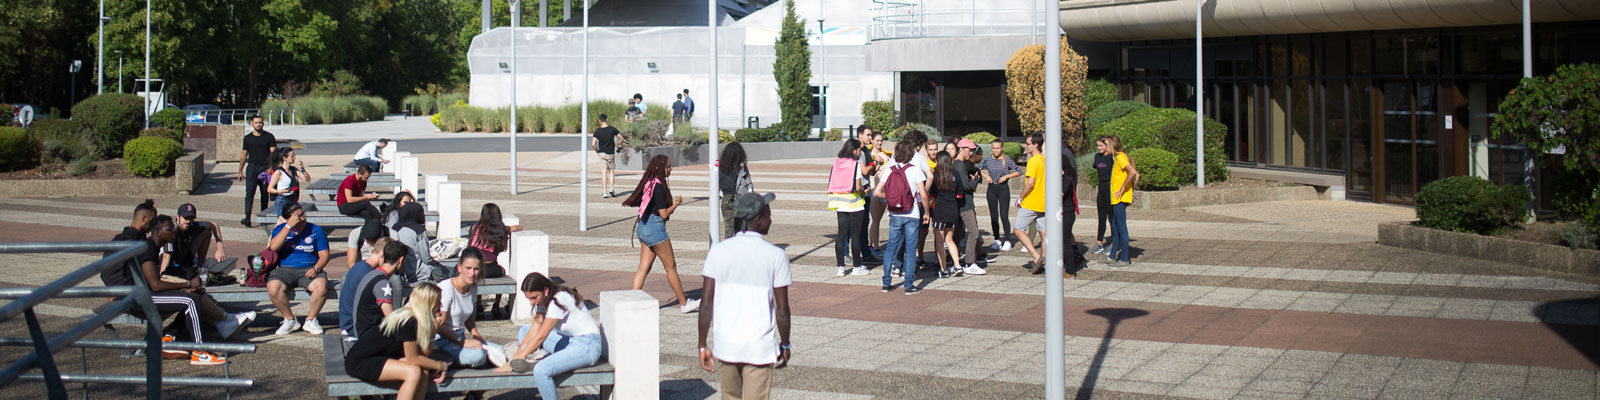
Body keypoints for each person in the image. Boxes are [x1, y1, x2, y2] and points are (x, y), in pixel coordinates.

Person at [105, 202, 248, 365]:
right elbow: (156, 285)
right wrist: (187, 284)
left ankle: (169, 337)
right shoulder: (147, 247)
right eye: (169, 229)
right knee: (190, 300)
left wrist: (185, 288)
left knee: (190, 297)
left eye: (173, 228)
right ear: (157, 232)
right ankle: (199, 351)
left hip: (143, 294)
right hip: (139, 299)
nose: (173, 231)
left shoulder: (148, 245)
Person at [696, 192, 792, 400]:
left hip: (727, 344)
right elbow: (782, 310)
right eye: (768, 214)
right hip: (759, 348)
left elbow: (706, 304)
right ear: (757, 220)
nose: (771, 219)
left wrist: (702, 344)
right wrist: (785, 344)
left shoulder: (718, 252)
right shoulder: (775, 256)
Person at [502, 273, 604, 400]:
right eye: (529, 299)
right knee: (524, 330)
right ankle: (542, 358)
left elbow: (541, 336)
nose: (532, 302)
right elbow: (534, 329)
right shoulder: (545, 299)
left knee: (541, 371)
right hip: (570, 342)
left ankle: (542, 360)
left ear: (545, 290)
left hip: (587, 346)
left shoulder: (558, 299)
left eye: (534, 297)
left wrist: (515, 360)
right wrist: (516, 357)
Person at [342, 284, 449, 400]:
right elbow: (413, 358)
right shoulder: (408, 321)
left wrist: (433, 332)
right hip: (361, 362)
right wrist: (440, 365)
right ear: (429, 303)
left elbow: (423, 355)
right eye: (438, 301)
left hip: (380, 357)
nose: (441, 305)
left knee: (423, 370)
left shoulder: (416, 318)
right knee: (413, 372)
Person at [622, 155, 700, 312]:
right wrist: (677, 203)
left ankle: (632, 302)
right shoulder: (659, 187)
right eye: (668, 166)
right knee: (671, 267)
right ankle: (684, 304)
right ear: (660, 168)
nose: (670, 169)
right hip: (655, 228)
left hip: (642, 227)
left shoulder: (649, 183)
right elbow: (663, 214)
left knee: (643, 268)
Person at [875, 140, 931, 295]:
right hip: (912, 213)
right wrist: (926, 212)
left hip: (894, 213)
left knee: (891, 247)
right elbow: (923, 195)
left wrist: (891, 198)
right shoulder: (915, 170)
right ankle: (908, 285)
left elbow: (876, 192)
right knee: (911, 249)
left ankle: (886, 283)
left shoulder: (889, 170)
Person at [268, 202, 332, 335]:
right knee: (273, 287)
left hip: (310, 268)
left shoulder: (316, 230)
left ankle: (311, 320)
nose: (302, 218)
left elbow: (324, 255)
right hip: (285, 269)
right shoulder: (280, 229)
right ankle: (290, 320)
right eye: (298, 216)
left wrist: (316, 268)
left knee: (321, 286)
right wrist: (288, 227)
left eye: (303, 214)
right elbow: (273, 247)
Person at [434, 248, 489, 369]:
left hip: (459, 336)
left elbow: (468, 315)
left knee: (497, 351)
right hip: (442, 339)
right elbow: (438, 325)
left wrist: (475, 334)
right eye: (468, 268)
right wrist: (462, 342)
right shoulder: (446, 289)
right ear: (459, 268)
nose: (472, 273)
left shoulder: (473, 286)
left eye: (476, 269)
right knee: (479, 356)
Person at [466, 203, 523, 317]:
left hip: (476, 268)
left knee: (479, 276)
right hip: (492, 268)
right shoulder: (500, 230)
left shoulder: (474, 228)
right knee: (502, 271)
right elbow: (519, 227)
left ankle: (479, 305)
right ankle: (496, 305)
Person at [828, 139, 870, 277]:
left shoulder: (837, 163)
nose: (859, 153)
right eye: (858, 150)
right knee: (855, 235)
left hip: (839, 202)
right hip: (854, 203)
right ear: (854, 150)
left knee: (841, 234)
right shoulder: (855, 164)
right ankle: (857, 267)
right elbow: (857, 187)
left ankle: (840, 267)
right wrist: (864, 191)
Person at [339, 237, 394, 337]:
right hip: (356, 327)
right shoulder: (371, 275)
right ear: (382, 256)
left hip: (347, 323)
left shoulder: (358, 266)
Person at [393, 202, 446, 300]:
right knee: (452, 273)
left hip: (400, 275)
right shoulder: (419, 231)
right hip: (419, 273)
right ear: (414, 214)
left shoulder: (394, 229)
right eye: (421, 212)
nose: (424, 215)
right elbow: (426, 259)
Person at [1012, 133, 1050, 269]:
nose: (1026, 146)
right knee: (1043, 232)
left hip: (1032, 201)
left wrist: (1020, 198)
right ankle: (1044, 260)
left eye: (1028, 144)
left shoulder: (1033, 161)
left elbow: (1030, 183)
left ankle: (1036, 256)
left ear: (1036, 145)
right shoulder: (1044, 159)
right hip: (1044, 202)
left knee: (1018, 229)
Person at [927, 152, 966, 278]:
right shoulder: (956, 174)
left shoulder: (936, 175)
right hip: (953, 210)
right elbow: (960, 195)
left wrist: (927, 210)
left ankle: (944, 269)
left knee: (939, 241)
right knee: (949, 240)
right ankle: (957, 265)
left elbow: (931, 196)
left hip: (939, 211)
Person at [952, 140, 988, 275]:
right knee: (973, 232)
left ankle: (953, 260)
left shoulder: (956, 164)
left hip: (959, 203)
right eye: (969, 149)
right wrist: (975, 179)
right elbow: (966, 186)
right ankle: (969, 263)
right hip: (965, 204)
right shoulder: (960, 165)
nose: (971, 152)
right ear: (961, 149)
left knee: (958, 233)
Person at [1103, 135, 1139, 268]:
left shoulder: (1120, 157)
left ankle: (1124, 258)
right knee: (1115, 226)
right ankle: (1113, 255)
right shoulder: (1116, 157)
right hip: (1116, 198)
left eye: (1107, 144)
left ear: (1112, 145)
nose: (1105, 147)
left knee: (1121, 227)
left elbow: (1133, 172)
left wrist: (1124, 188)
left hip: (1119, 198)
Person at [979, 141, 1022, 252]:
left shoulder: (1006, 160)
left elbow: (1018, 171)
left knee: (1004, 215)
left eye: (998, 148)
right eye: (994, 148)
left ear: (1002, 148)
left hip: (1003, 188)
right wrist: (985, 176)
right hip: (992, 188)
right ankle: (997, 239)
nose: (995, 150)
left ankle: (1007, 240)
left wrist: (1007, 176)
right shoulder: (988, 159)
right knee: (994, 216)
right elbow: (977, 169)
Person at [169, 203, 228, 281]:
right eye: (185, 218)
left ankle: (201, 265)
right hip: (172, 262)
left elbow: (213, 225)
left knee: (206, 231)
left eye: (191, 218)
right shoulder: (172, 230)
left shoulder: (193, 225)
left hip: (186, 259)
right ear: (178, 217)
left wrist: (220, 248)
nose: (188, 221)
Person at [238, 115, 277, 227]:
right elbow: (244, 154)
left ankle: (263, 215)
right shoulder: (248, 138)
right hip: (252, 168)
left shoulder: (269, 137)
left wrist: (271, 166)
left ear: (263, 124)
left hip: (265, 168)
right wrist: (240, 171)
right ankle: (247, 217)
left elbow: (273, 153)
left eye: (260, 122)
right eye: (256, 122)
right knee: (249, 192)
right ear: (252, 124)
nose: (258, 124)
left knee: (264, 193)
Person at [717, 142, 754, 240]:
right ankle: (739, 249)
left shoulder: (721, 166)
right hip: (739, 200)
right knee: (740, 228)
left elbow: (717, 183)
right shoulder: (742, 166)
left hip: (726, 199)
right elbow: (748, 182)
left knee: (729, 228)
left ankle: (728, 250)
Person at [267, 147, 310, 224]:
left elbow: (307, 179)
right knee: (286, 224)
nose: (294, 158)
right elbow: (269, 189)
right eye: (292, 156)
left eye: (294, 156)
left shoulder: (294, 170)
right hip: (282, 200)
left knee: (280, 225)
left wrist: (302, 169)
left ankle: (273, 236)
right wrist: (281, 191)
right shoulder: (278, 172)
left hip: (291, 199)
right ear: (285, 158)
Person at [866, 132, 891, 257]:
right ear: (872, 141)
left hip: (885, 191)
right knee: (875, 220)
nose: (879, 143)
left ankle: (871, 243)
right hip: (874, 189)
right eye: (877, 140)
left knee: (878, 220)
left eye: (881, 140)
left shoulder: (884, 154)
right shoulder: (870, 155)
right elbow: (871, 172)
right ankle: (875, 247)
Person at [1090, 138, 1115, 256]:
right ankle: (1099, 242)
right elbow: (1096, 166)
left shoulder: (1112, 158)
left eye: (1101, 146)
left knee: (1111, 217)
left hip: (1110, 186)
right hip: (1101, 187)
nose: (1099, 148)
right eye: (1098, 146)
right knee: (1101, 217)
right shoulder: (1097, 157)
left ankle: (1114, 242)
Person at [592, 114, 622, 198]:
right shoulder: (612, 129)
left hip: (601, 153)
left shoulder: (597, 131)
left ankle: (604, 192)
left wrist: (596, 150)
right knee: (611, 170)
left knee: (604, 172)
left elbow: (593, 144)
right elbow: (621, 138)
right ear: (607, 119)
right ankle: (611, 188)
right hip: (610, 153)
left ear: (599, 121)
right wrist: (620, 145)